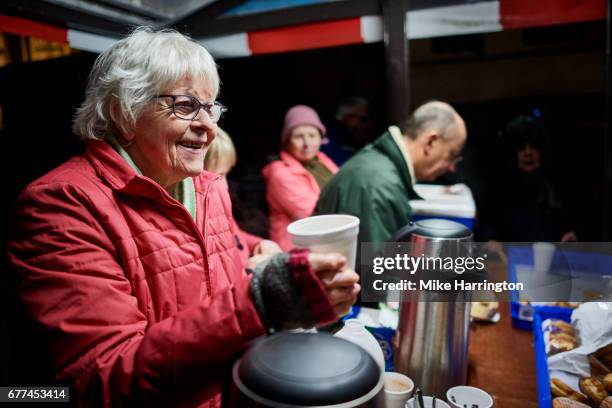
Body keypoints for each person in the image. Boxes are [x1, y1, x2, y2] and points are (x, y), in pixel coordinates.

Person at [6, 28, 359, 407]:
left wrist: (263, 260)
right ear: (122, 113)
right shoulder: (62, 206)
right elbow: (99, 382)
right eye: (185, 106)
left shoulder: (208, 188)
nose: (208, 126)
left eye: (211, 107)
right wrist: (262, 301)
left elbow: (207, 277)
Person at [317, 100, 467, 251]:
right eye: (452, 154)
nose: (451, 167)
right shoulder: (377, 183)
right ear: (430, 142)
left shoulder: (380, 167)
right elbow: (377, 270)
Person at [262, 105, 339, 251]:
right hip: (297, 251)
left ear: (321, 138)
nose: (307, 143)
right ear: (287, 141)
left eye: (312, 135)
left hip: (324, 242)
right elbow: (314, 215)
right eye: (298, 136)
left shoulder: (322, 161)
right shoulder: (280, 173)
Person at [489, 115, 577, 242]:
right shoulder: (502, 188)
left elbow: (568, 225)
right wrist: (491, 240)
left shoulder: (555, 186)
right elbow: (490, 225)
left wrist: (570, 235)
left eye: (533, 147)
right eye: (521, 148)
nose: (528, 153)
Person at [204, 127, 281, 269]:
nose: (226, 184)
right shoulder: (201, 216)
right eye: (219, 176)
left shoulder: (217, 203)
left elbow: (235, 235)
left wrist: (258, 243)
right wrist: (248, 268)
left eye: (227, 174)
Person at [321, 96, 374, 165]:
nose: (370, 125)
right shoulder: (327, 140)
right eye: (364, 119)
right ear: (349, 117)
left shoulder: (357, 140)